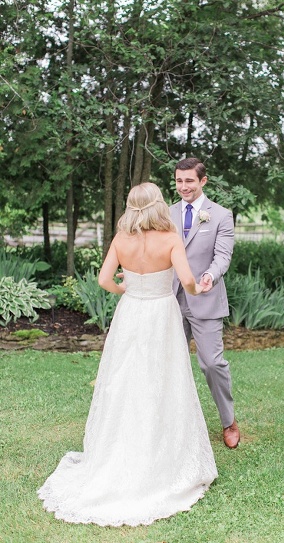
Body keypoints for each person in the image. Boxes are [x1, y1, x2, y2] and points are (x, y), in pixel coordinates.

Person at [38, 182, 218, 526]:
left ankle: (119, 449)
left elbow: (105, 280)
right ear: (158, 206)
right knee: (163, 380)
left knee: (125, 379)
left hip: (132, 313)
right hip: (162, 315)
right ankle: (161, 455)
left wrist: (127, 287)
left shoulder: (121, 240)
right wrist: (199, 286)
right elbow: (188, 281)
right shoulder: (170, 239)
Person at [171, 157, 239, 448]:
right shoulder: (165, 213)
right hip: (170, 299)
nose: (183, 186)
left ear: (202, 181)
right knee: (168, 363)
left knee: (212, 363)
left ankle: (228, 421)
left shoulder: (221, 215)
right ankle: (171, 424)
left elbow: (223, 256)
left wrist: (210, 275)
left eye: (189, 181)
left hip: (205, 298)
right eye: (178, 181)